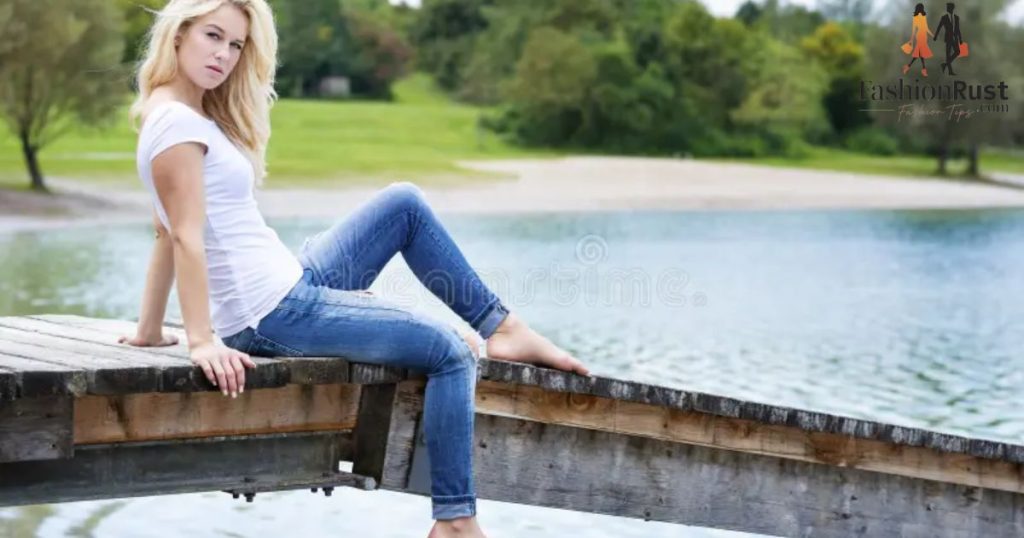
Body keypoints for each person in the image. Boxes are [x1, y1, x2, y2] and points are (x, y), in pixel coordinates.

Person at [118, 2, 590, 537]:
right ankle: (456, 520)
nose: (224, 55)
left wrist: (150, 332)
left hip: (289, 282)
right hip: (272, 314)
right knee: (451, 354)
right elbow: (182, 235)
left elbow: (161, 230)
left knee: (403, 207)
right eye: (213, 36)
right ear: (179, 34)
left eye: (236, 44)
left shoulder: (180, 112)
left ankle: (504, 329)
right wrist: (200, 341)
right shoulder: (176, 125)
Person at [903, 3, 934, 77]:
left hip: (923, 35)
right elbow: (915, 29)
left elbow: (926, 28)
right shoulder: (917, 17)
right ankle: (922, 69)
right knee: (920, 53)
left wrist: (932, 35)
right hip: (920, 35)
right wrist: (911, 40)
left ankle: (908, 66)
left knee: (919, 53)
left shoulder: (922, 17)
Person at [933, 2, 964, 76]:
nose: (947, 8)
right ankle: (950, 71)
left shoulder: (956, 17)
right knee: (948, 54)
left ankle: (945, 64)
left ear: (952, 8)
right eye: (946, 7)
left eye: (948, 7)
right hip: (948, 38)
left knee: (957, 52)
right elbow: (939, 27)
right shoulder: (944, 17)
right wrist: (935, 36)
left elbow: (957, 29)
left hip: (955, 38)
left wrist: (960, 39)